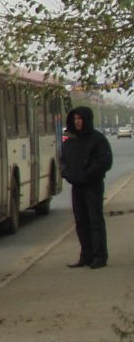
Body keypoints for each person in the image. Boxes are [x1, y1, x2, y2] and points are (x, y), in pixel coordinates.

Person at [60, 106, 112, 269]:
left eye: (80, 119)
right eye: (75, 119)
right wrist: (69, 175)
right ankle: (86, 255)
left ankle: (99, 256)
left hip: (93, 186)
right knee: (81, 222)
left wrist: (88, 174)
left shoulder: (98, 139)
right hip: (77, 186)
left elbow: (105, 161)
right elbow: (64, 162)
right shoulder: (70, 142)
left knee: (95, 221)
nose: (77, 122)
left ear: (86, 120)